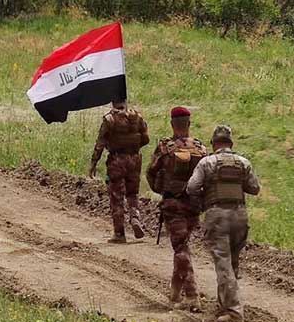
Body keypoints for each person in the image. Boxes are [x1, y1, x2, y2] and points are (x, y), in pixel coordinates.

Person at [185, 125, 260, 322]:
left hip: (217, 215)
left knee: (223, 263)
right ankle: (223, 305)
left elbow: (192, 187)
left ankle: (234, 311)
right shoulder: (243, 162)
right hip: (240, 215)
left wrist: (204, 196)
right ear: (231, 143)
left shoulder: (206, 162)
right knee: (232, 262)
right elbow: (254, 188)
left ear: (214, 143)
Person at [145, 106, 207, 309]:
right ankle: (175, 292)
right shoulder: (200, 148)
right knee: (183, 245)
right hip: (194, 205)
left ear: (172, 124)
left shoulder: (165, 147)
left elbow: (151, 172)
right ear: (189, 123)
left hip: (173, 204)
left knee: (181, 248)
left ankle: (192, 294)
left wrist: (162, 190)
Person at [89, 99, 150, 243]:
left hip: (117, 160)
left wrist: (93, 162)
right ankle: (135, 217)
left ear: (113, 102)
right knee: (132, 193)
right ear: (125, 101)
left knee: (117, 196)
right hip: (135, 159)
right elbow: (146, 139)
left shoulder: (109, 119)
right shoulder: (137, 117)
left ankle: (119, 233)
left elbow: (100, 142)